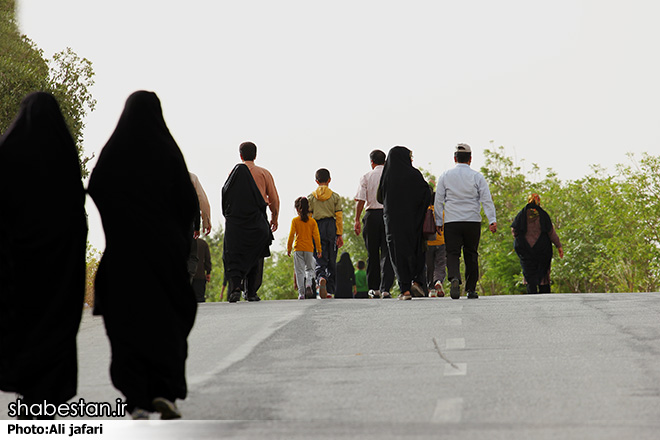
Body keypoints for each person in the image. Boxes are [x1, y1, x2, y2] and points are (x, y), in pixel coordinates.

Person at [88, 91, 198, 420]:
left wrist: (118, 224)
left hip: (124, 255)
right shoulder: (168, 151)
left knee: (127, 322)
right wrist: (175, 235)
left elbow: (97, 186)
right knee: (166, 320)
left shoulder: (115, 150)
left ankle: (136, 397)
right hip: (164, 254)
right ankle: (164, 391)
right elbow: (188, 203)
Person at [0, 92, 87, 419]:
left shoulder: (8, 153)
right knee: (55, 324)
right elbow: (77, 216)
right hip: (59, 269)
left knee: (24, 325)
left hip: (18, 269)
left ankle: (27, 390)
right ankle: (47, 396)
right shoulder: (63, 157)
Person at [435, 143, 497, 300]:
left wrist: (438, 221)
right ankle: (471, 289)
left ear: (454, 158)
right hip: (472, 221)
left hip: (452, 221)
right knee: (471, 254)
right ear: (470, 159)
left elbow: (438, 200)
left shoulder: (445, 176)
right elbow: (486, 200)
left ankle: (455, 278)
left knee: (452, 253)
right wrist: (492, 220)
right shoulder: (477, 177)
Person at [378, 146, 432, 300]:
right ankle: (417, 280)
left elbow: (380, 197)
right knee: (415, 249)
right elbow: (426, 193)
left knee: (396, 253)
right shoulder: (414, 175)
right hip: (412, 222)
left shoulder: (387, 177)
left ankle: (405, 289)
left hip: (393, 223)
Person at [222, 163, 273, 303]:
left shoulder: (229, 189)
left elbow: (224, 206)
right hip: (254, 231)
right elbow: (264, 205)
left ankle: (235, 288)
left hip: (235, 230)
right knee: (254, 257)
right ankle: (251, 292)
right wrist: (273, 219)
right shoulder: (256, 193)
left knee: (233, 258)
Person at [238, 141, 280, 301]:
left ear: (240, 155)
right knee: (257, 253)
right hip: (258, 215)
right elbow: (274, 198)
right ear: (255, 155)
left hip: (239, 219)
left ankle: (238, 283)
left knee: (241, 252)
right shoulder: (264, 173)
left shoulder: (234, 173)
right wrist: (274, 217)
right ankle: (251, 290)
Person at [354, 149, 395, 299]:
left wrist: (357, 219)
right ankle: (386, 288)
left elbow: (360, 200)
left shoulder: (366, 176)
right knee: (388, 252)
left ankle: (374, 288)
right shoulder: (391, 175)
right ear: (385, 161)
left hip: (371, 216)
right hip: (388, 215)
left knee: (372, 253)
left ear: (371, 162)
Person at [511, 193, 564, 294]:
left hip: (526, 251)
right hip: (542, 250)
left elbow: (514, 231)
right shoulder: (543, 215)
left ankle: (532, 295)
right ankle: (544, 294)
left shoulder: (521, 215)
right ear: (539, 201)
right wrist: (559, 246)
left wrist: (523, 241)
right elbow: (551, 232)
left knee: (529, 274)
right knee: (543, 274)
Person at [308, 168, 343, 298]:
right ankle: (329, 290)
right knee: (332, 258)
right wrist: (339, 234)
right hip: (331, 227)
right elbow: (338, 216)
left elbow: (309, 217)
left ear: (316, 181)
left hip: (316, 227)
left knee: (319, 256)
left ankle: (321, 277)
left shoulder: (311, 197)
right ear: (329, 180)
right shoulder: (335, 197)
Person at [287, 197, 322, 300]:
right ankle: (308, 284)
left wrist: (289, 248)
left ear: (297, 209)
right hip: (309, 248)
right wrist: (319, 249)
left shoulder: (295, 221)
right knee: (310, 269)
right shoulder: (312, 222)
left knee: (299, 271)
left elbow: (291, 235)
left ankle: (301, 294)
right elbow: (316, 236)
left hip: (298, 248)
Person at [426, 193, 446, 297]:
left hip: (428, 242)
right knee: (440, 264)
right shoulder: (442, 212)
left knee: (429, 266)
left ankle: (431, 289)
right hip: (441, 242)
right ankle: (438, 281)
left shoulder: (425, 212)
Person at [192, 238, 212, 302]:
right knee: (199, 299)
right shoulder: (203, 243)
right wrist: (208, 272)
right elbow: (207, 259)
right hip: (200, 276)